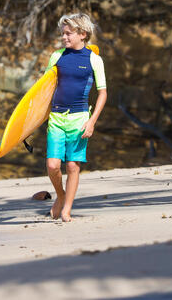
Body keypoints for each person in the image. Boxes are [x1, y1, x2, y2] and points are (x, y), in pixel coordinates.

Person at [45, 12, 107, 222]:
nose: (64, 37)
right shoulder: (56, 56)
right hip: (56, 117)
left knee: (72, 165)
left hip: (79, 118)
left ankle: (66, 209)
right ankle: (61, 196)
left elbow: (103, 93)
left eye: (68, 33)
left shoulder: (93, 59)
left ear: (82, 34)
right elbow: (44, 89)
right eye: (63, 33)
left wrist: (92, 122)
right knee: (53, 165)